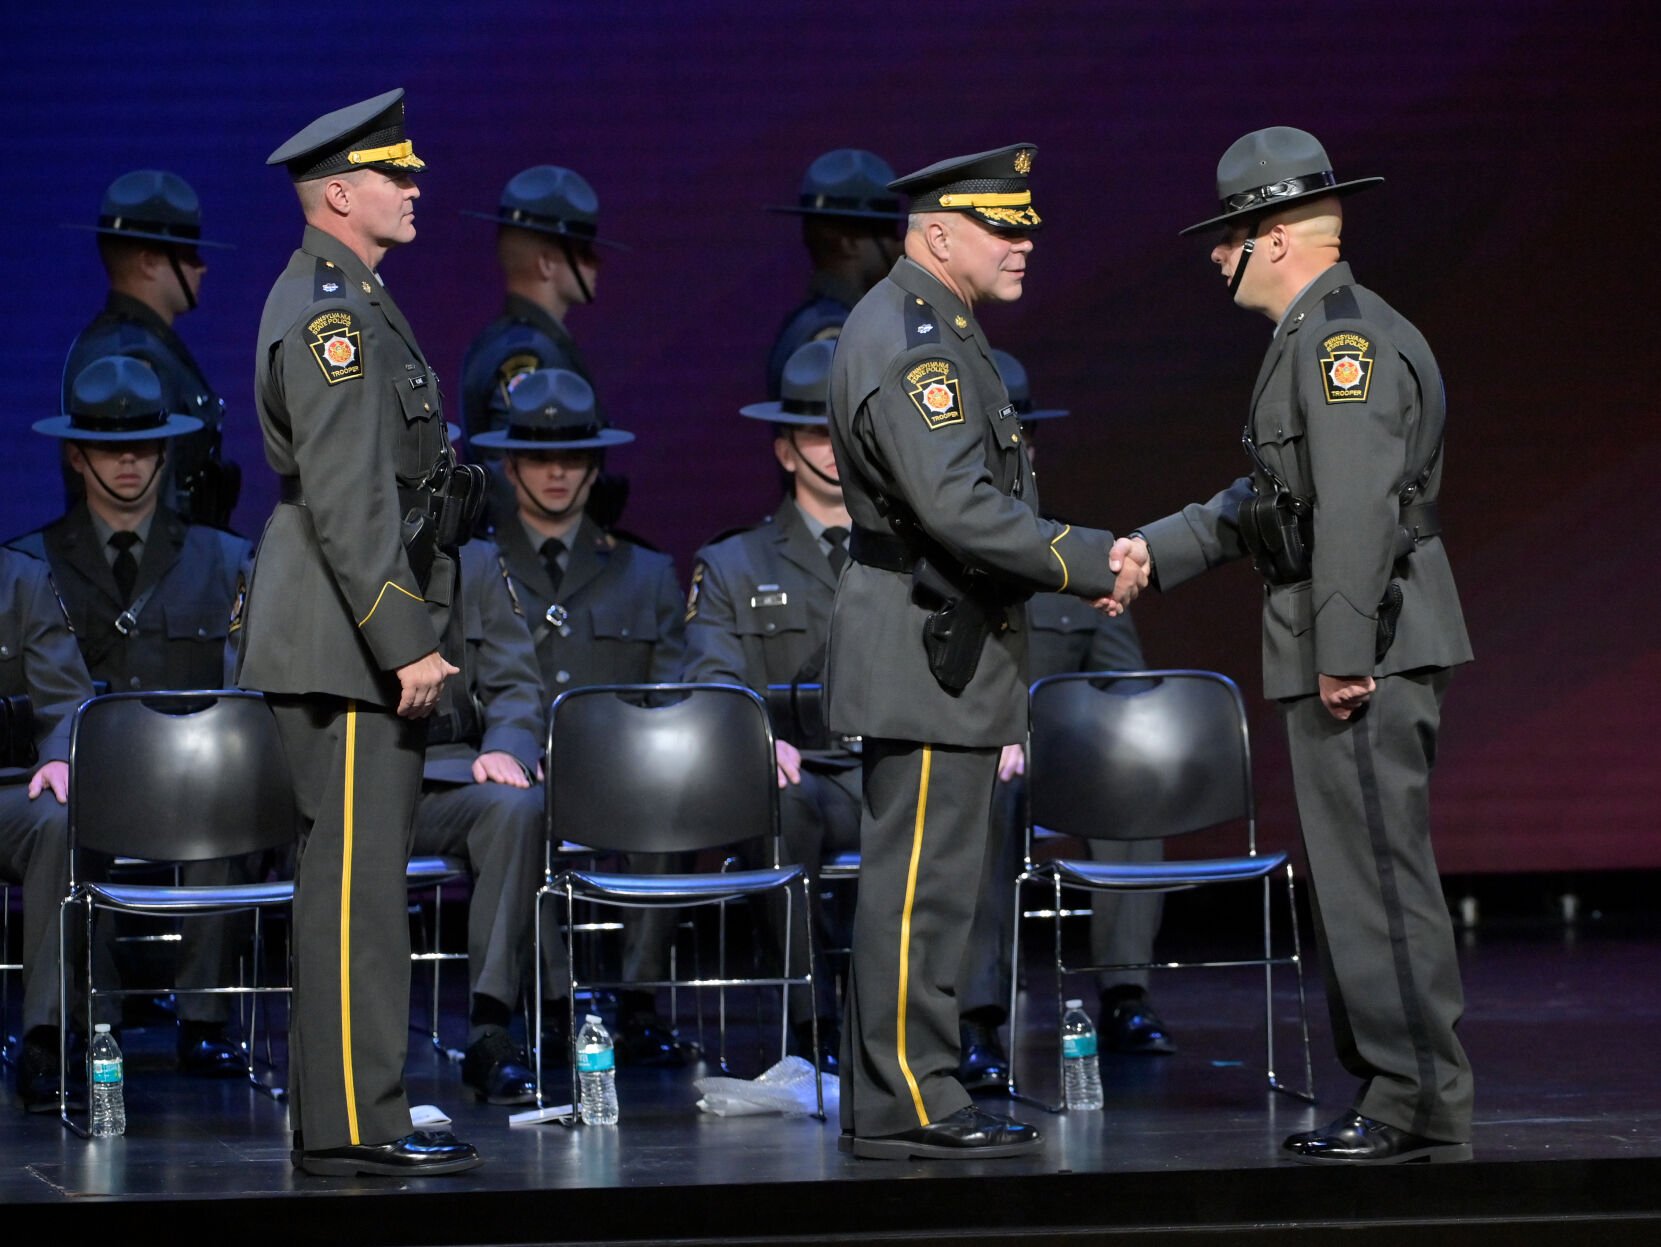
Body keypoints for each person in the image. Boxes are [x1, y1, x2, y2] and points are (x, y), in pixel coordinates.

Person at [1127, 126, 1473, 1165]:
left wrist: (1340, 647)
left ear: (1270, 236)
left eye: (1225, 233)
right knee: (1357, 869)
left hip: (1361, 639)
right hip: (1347, 634)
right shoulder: (1314, 338)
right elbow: (1271, 500)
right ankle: (1394, 1082)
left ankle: (1412, 1092)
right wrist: (1153, 550)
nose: (1211, 256)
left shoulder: (1338, 344)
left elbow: (1358, 509)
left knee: (1374, 870)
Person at [825, 144, 1147, 1159]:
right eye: (1002, 228)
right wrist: (1088, 558)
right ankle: (902, 1098)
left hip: (948, 641)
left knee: (941, 886)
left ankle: (919, 1084)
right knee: (915, 884)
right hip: (923, 640)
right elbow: (955, 505)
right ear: (935, 232)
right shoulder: (912, 337)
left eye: (1025, 228)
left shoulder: (939, 328)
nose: (1023, 246)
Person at [237, 88, 482, 1177]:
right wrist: (404, 637)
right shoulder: (329, 313)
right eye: (396, 174)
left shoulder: (354, 299)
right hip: (343, 637)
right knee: (352, 886)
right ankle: (352, 1121)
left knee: (367, 879)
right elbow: (347, 493)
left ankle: (352, 1110)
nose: (414, 187)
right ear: (340, 193)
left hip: (348, 628)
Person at [9, 354, 254, 1079]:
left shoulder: (226, 561)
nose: (126, 459)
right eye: (108, 444)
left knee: (228, 812)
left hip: (190, 774)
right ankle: (89, 1020)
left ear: (166, 451)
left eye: (142, 443)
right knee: (66, 822)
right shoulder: (33, 562)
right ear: (75, 455)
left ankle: (205, 1016)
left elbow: (246, 693)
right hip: (83, 778)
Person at [954, 351, 1174, 1095]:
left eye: (1016, 439)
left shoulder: (1079, 554)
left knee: (1133, 788)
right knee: (983, 802)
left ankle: (1124, 995)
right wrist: (997, 731)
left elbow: (1123, 687)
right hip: (975, 754)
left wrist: (1058, 737)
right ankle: (976, 1018)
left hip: (1066, 758)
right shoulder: (938, 558)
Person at [470, 368, 688, 1066]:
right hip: (516, 769)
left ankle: (640, 1000)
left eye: (572, 455)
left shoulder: (644, 571)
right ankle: (555, 1005)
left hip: (616, 776)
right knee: (517, 809)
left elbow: (672, 688)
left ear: (595, 464)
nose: (557, 472)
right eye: (538, 455)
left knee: (674, 796)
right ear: (508, 465)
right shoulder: (474, 565)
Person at [680, 338, 860, 1072]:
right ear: (786, 451)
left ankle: (962, 1026)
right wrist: (758, 738)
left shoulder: (906, 554)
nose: (832, 447)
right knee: (783, 805)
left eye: (843, 428)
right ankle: (811, 1019)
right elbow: (713, 675)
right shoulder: (732, 562)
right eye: (816, 432)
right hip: (795, 773)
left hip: (887, 761)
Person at [409, 536, 562, 1105]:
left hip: (448, 776)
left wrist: (507, 747)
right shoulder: (315, 542)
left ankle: (491, 1032)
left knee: (515, 805)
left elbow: (515, 683)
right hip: (349, 777)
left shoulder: (472, 560)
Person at [61, 170, 240, 528]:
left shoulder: (144, 346)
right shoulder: (128, 363)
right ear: (148, 262)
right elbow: (135, 513)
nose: (201, 267)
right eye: (188, 253)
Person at [458, 166, 626, 531]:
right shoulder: (530, 357)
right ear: (547, 262)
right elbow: (512, 480)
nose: (597, 263)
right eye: (584, 251)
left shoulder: (505, 341)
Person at [1, 547, 97, 1112]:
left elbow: (65, 699)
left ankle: (45, 1040)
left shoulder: (22, 580)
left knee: (59, 817)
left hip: (8, 791)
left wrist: (59, 757)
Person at [764, 149, 906, 399]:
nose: (900, 246)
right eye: (890, 233)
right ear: (848, 243)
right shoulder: (836, 337)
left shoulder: (816, 322)